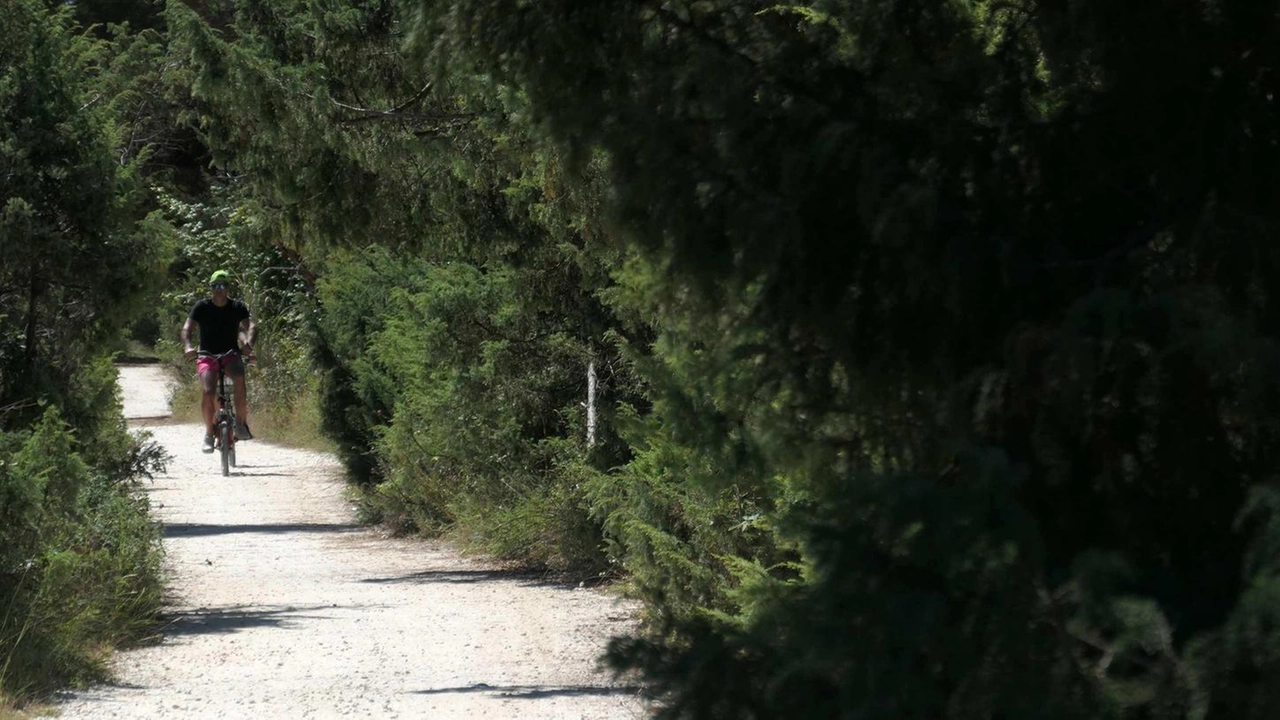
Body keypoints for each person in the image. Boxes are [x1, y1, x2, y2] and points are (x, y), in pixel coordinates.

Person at [181, 270, 257, 452]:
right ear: (211, 288)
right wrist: (188, 347)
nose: (219, 290)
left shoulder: (237, 307)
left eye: (223, 286)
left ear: (228, 288)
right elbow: (186, 329)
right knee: (208, 391)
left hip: (230, 353)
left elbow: (251, 326)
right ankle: (208, 433)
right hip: (207, 354)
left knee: (239, 378)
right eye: (215, 286)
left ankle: (240, 423)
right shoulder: (201, 307)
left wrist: (249, 344)